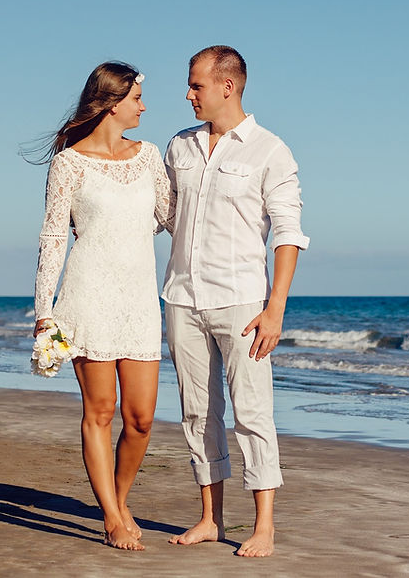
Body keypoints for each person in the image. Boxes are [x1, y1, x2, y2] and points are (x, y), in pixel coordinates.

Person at [161, 45, 309, 557]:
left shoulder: (270, 150)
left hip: (244, 303)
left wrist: (276, 307)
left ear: (227, 86)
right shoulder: (179, 146)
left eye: (196, 85)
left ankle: (264, 525)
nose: (188, 94)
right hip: (182, 297)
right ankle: (211, 518)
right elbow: (163, 214)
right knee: (197, 413)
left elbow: (288, 234)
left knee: (252, 412)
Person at [32, 61, 172, 551]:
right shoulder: (69, 163)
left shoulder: (148, 156)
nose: (144, 107)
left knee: (141, 419)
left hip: (139, 300)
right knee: (100, 410)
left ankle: (119, 498)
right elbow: (53, 237)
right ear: (111, 103)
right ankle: (112, 516)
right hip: (87, 296)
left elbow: (169, 217)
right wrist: (43, 312)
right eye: (137, 98)